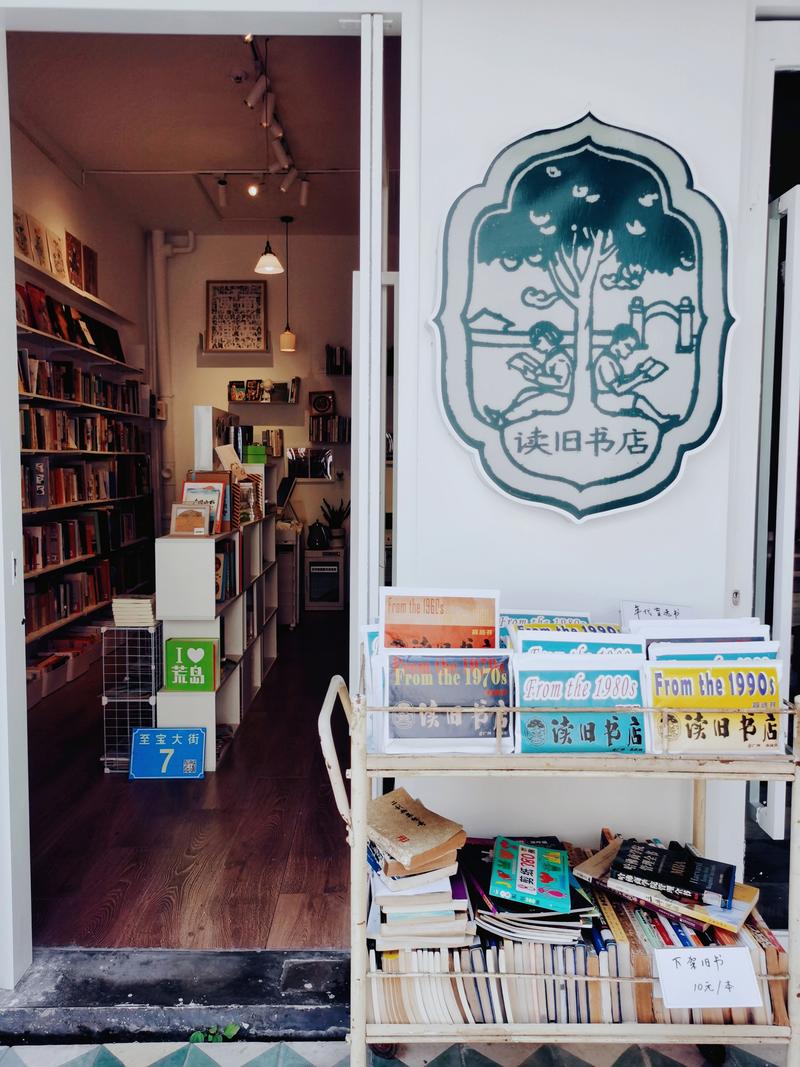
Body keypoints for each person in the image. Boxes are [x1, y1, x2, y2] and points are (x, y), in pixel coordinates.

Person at [484, 321, 573, 428]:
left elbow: (560, 382)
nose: (535, 347)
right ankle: (503, 414)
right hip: (553, 393)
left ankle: (505, 419)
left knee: (530, 402)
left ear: (548, 338)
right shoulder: (552, 355)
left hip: (560, 398)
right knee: (525, 393)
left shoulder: (559, 358)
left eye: (537, 342)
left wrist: (535, 377)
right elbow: (548, 374)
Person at [591, 323, 677, 426]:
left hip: (610, 397)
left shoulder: (612, 359)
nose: (630, 351)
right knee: (637, 399)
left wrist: (636, 372)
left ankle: (660, 419)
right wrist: (639, 379)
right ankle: (661, 421)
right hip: (606, 400)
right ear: (617, 341)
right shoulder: (606, 361)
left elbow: (620, 380)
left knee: (637, 399)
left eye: (632, 348)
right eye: (627, 346)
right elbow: (618, 389)